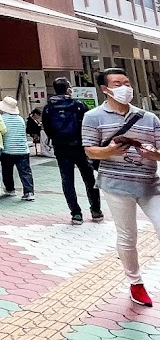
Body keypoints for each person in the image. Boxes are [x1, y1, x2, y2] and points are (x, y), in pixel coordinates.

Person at [82, 68, 160, 307]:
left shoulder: (149, 118)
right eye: (118, 83)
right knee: (128, 235)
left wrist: (152, 154)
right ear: (105, 89)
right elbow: (89, 149)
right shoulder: (93, 117)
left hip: (149, 183)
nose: (125, 87)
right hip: (116, 183)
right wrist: (110, 151)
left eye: (127, 82)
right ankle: (135, 283)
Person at [43, 77, 103, 225]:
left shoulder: (48, 108)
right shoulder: (78, 105)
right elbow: (89, 125)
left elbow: (47, 128)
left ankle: (76, 213)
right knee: (89, 179)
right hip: (81, 146)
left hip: (61, 148)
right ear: (68, 89)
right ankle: (96, 210)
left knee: (67, 180)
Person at [0, 97, 34, 201]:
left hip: (7, 150)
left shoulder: (2, 119)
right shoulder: (20, 119)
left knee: (7, 171)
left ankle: (10, 189)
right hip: (23, 150)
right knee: (25, 171)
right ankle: (29, 192)